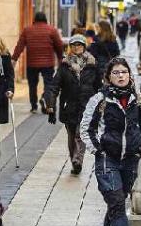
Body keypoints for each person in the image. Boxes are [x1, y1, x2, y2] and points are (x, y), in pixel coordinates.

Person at [80, 57, 141, 226]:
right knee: (116, 200)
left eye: (124, 72)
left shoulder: (138, 100)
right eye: (116, 72)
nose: (121, 76)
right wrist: (98, 150)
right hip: (107, 160)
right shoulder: (100, 100)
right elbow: (86, 128)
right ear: (108, 77)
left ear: (130, 75)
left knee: (117, 202)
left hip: (130, 159)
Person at [43, 34, 102, 175]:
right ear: (71, 47)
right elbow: (54, 86)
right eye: (74, 45)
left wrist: (101, 103)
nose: (77, 47)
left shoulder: (92, 65)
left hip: (86, 106)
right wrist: (50, 105)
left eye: (79, 44)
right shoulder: (64, 66)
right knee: (71, 136)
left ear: (84, 46)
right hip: (69, 105)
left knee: (80, 134)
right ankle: (74, 158)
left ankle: (78, 160)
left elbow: (99, 86)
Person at [12, 11, 64, 113]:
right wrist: (60, 59)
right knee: (48, 84)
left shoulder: (27, 30)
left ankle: (34, 106)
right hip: (48, 63)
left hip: (32, 63)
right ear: (45, 19)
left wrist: (14, 58)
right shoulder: (52, 30)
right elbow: (59, 46)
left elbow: (20, 46)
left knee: (32, 85)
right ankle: (45, 100)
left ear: (34, 20)